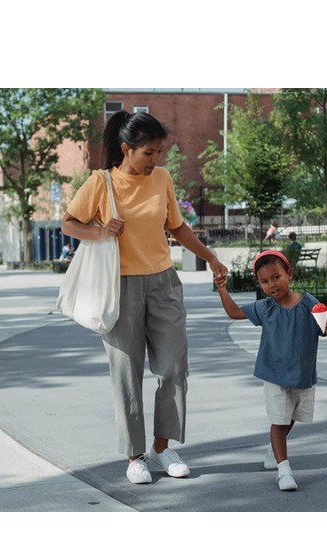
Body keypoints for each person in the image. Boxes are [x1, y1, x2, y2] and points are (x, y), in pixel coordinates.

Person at [61, 110, 228, 484]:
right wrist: (102, 231)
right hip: (119, 288)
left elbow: (178, 227)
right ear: (126, 148)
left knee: (173, 368)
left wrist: (211, 257)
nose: (156, 160)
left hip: (163, 283)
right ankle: (135, 456)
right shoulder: (101, 183)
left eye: (159, 152)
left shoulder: (163, 179)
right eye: (149, 153)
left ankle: (161, 446)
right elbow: (69, 223)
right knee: (127, 372)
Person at [214, 249, 327, 491]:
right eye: (264, 281)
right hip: (273, 374)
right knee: (278, 420)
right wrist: (222, 288)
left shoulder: (309, 303)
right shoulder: (266, 308)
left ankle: (274, 449)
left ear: (289, 274)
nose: (271, 284)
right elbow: (233, 313)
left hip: (302, 375)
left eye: (276, 277)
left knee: (289, 418)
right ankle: (284, 471)